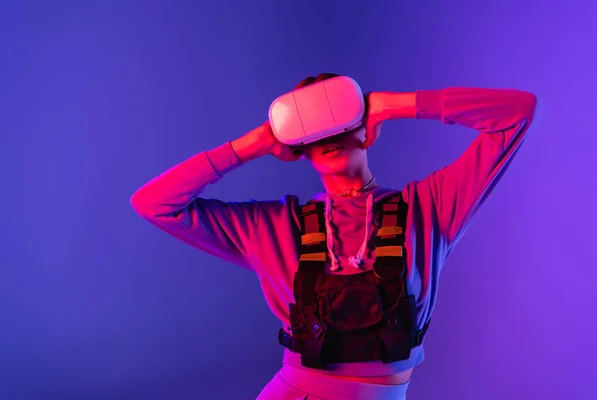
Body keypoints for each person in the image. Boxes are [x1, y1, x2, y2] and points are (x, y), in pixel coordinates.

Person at [130, 73, 537, 400]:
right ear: (298, 148)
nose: (328, 135)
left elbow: (516, 113)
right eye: (312, 130)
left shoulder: (429, 207)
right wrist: (253, 144)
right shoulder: (272, 226)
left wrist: (394, 104)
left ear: (367, 129)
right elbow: (154, 203)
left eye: (341, 118)